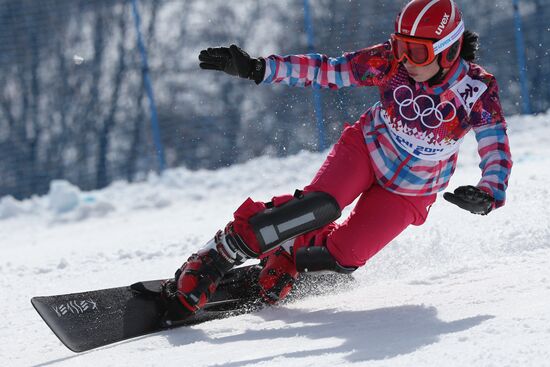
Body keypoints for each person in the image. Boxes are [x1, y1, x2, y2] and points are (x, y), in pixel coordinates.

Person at [162, 0, 512, 316]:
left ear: (448, 52)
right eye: (400, 46)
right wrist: (259, 68)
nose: (404, 59)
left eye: (416, 53)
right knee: (319, 207)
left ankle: (290, 252)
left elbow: (494, 142)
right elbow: (330, 71)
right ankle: (220, 253)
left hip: (412, 190)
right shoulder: (391, 63)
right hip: (367, 148)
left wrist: (490, 192)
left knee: (344, 258)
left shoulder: (477, 90)